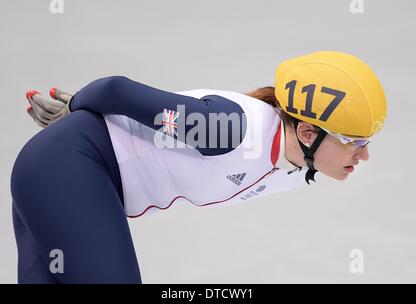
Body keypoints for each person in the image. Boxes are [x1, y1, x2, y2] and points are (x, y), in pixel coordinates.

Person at [10, 50, 387, 283]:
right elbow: (114, 90)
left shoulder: (292, 167)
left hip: (59, 177)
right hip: (69, 167)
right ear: (307, 133)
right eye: (355, 142)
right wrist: (71, 115)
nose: (364, 155)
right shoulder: (229, 129)